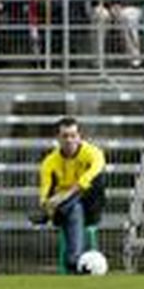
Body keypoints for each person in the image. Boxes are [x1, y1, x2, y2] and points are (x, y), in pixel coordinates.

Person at [34, 116, 108, 273]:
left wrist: (65, 196)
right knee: (74, 208)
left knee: (96, 181)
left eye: (73, 136)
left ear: (80, 137)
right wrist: (48, 205)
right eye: (65, 136)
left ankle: (73, 261)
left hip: (91, 208)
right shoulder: (49, 163)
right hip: (62, 212)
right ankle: (75, 261)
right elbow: (44, 196)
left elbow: (90, 179)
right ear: (58, 139)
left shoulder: (93, 154)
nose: (69, 140)